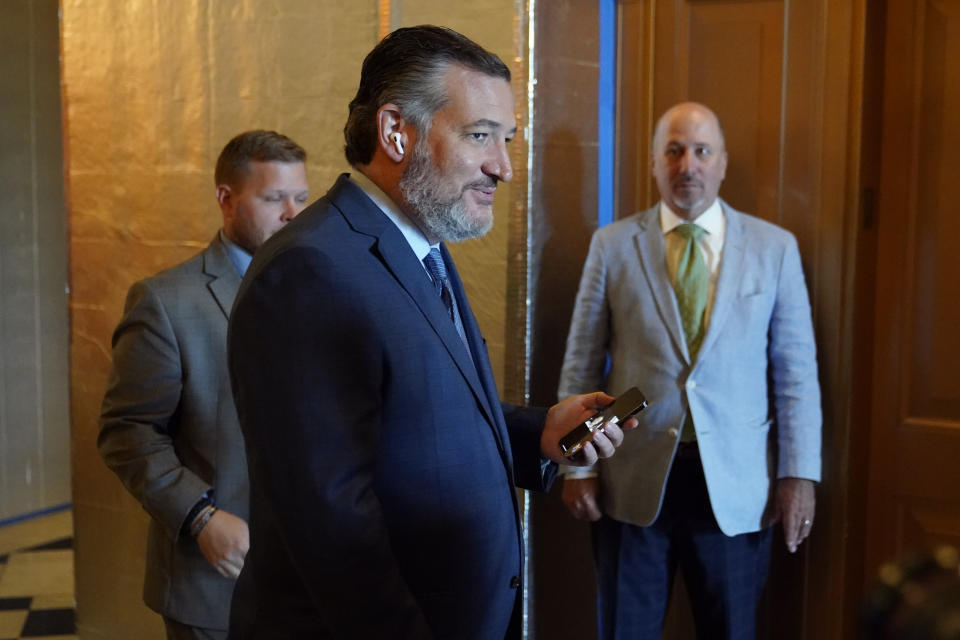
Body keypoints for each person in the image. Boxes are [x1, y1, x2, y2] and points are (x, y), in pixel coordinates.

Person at [226, 25, 633, 640]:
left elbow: (413, 423)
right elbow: (333, 526)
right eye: (480, 137)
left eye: (507, 140)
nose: (504, 167)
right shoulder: (309, 271)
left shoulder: (420, 248)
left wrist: (540, 433)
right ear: (396, 132)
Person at [557, 102, 822, 639]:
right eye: (674, 151)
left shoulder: (774, 249)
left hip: (739, 485)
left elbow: (796, 375)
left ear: (722, 163)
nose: (688, 165)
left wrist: (798, 476)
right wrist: (577, 466)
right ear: (655, 163)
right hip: (630, 481)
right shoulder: (612, 246)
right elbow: (582, 364)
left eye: (701, 151)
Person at [98, 130, 310, 640]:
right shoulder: (165, 303)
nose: (293, 215)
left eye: (301, 198)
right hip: (215, 580)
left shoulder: (320, 290)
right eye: (273, 197)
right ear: (226, 199)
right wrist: (199, 517)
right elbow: (126, 432)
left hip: (310, 577)